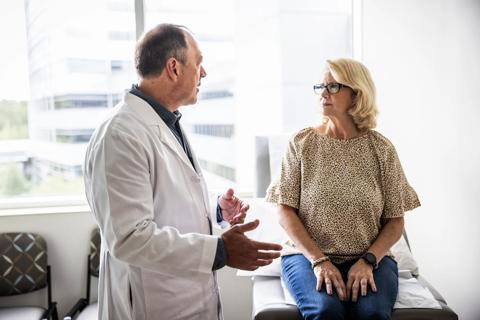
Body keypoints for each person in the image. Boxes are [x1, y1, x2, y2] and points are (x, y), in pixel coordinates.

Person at [84, 24, 282, 320]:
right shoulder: (120, 134)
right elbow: (129, 238)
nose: (204, 73)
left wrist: (215, 207)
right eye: (199, 63)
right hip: (151, 303)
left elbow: (167, 197)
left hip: (183, 296)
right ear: (173, 68)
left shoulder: (165, 121)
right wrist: (220, 251)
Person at [266, 58, 420, 320]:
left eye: (333, 86)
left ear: (356, 94)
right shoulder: (301, 143)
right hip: (307, 257)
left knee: (372, 314)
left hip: (370, 258)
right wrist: (319, 261)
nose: (323, 93)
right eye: (320, 86)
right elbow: (284, 209)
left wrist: (369, 261)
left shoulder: (381, 149)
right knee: (326, 311)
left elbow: (395, 220)